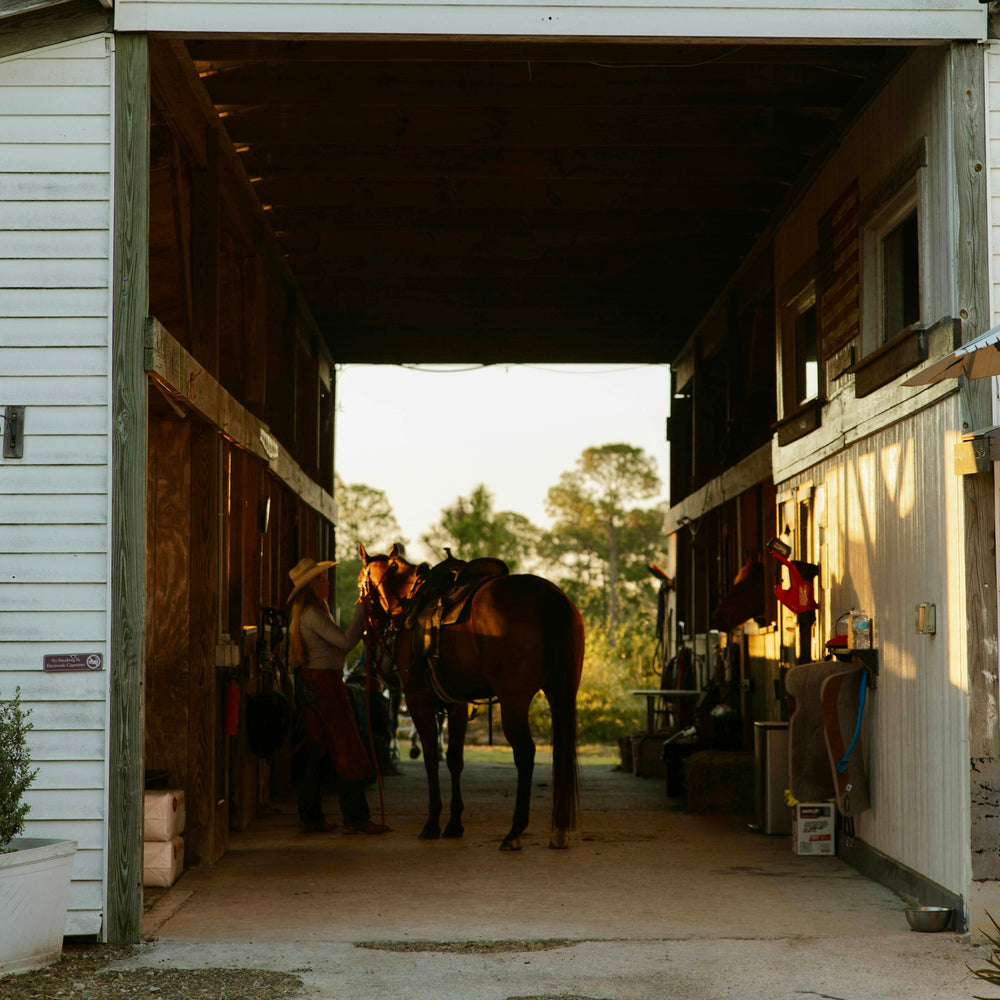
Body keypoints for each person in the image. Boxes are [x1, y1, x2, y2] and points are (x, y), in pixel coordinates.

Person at [287, 556, 390, 835]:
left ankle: (311, 816)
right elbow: (345, 641)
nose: (327, 581)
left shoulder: (311, 613)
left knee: (315, 751)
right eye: (322, 579)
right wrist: (361, 610)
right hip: (326, 686)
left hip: (316, 683)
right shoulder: (314, 614)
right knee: (347, 748)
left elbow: (338, 648)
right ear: (312, 586)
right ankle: (355, 817)